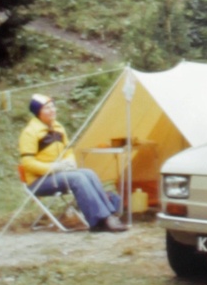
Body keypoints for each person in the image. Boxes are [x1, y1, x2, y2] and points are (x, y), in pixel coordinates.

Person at [19, 93, 128, 233]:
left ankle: (110, 216)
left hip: (59, 175)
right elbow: (27, 163)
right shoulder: (30, 132)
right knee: (77, 178)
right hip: (39, 181)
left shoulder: (58, 127)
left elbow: (68, 150)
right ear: (38, 112)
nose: (52, 110)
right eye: (47, 108)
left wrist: (70, 161)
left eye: (53, 106)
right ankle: (99, 220)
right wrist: (53, 168)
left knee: (89, 173)